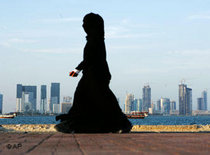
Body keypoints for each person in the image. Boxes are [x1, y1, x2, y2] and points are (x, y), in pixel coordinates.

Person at [55, 13, 132, 133]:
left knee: (98, 99)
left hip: (96, 75)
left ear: (92, 25)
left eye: (85, 23)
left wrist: (76, 70)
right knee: (94, 99)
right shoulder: (95, 39)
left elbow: (90, 58)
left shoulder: (95, 40)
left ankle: (73, 124)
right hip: (92, 75)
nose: (83, 26)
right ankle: (75, 124)